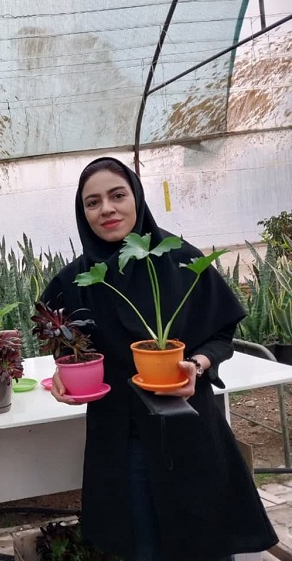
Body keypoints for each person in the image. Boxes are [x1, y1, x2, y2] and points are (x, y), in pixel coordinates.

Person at [42, 157, 278, 561]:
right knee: (142, 546)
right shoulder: (73, 280)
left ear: (137, 197)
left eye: (117, 196)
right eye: (93, 202)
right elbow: (62, 340)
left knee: (203, 543)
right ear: (83, 213)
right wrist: (63, 372)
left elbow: (220, 334)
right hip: (121, 437)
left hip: (188, 428)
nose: (106, 209)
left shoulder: (180, 260)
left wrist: (198, 364)